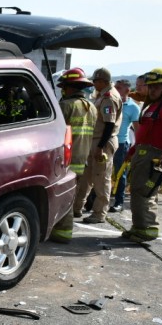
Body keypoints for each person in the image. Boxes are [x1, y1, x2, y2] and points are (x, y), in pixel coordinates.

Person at [123, 68, 162, 243]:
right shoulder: (152, 106)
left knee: (145, 192)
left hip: (154, 158)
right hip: (142, 155)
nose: (153, 90)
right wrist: (132, 152)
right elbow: (143, 133)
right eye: (151, 86)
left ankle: (148, 228)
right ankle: (139, 226)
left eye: (157, 86)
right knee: (137, 192)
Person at [49, 68, 98, 243]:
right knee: (72, 193)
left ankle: (62, 230)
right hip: (82, 158)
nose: (63, 90)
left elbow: (55, 133)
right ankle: (63, 228)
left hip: (66, 159)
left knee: (63, 194)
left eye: (64, 87)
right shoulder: (91, 107)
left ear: (70, 87)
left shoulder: (66, 105)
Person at [73, 67, 122, 223]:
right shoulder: (101, 95)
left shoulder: (109, 97)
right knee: (85, 178)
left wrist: (100, 147)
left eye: (96, 81)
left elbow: (109, 123)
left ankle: (99, 213)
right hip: (95, 140)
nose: (94, 84)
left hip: (103, 141)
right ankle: (76, 208)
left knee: (101, 179)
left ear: (103, 81)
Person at [110, 79, 141, 212]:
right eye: (115, 87)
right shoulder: (111, 102)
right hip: (108, 142)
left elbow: (137, 129)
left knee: (120, 173)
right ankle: (94, 200)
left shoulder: (133, 107)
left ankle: (119, 202)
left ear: (127, 91)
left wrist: (136, 147)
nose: (115, 89)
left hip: (122, 144)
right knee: (102, 172)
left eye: (119, 88)